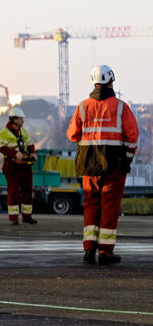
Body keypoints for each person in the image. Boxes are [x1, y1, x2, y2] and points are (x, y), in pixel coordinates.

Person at [68, 63, 140, 265]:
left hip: (89, 164)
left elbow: (72, 134)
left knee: (91, 204)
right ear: (111, 81)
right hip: (114, 164)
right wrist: (127, 158)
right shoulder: (120, 107)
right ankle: (105, 252)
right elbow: (133, 136)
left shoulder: (83, 106)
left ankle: (89, 249)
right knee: (109, 205)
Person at [0, 111, 37, 225]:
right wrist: (15, 153)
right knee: (13, 192)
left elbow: (30, 144)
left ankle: (27, 217)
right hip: (12, 166)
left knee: (28, 191)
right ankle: (13, 218)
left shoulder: (23, 131)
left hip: (25, 166)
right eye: (20, 118)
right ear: (14, 119)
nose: (22, 120)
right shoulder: (4, 133)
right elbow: (2, 149)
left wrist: (33, 153)